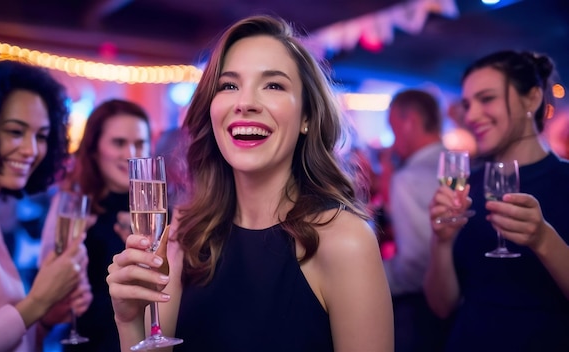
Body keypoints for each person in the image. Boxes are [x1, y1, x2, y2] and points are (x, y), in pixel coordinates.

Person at [106, 14, 393, 352]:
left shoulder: (345, 241)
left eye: (273, 85)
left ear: (306, 117)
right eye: (229, 85)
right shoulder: (186, 231)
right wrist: (128, 321)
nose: (245, 103)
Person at [424, 50, 569, 351]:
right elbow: (441, 307)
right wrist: (441, 241)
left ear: (532, 99)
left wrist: (543, 239)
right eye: (467, 104)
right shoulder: (466, 188)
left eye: (486, 99)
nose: (472, 115)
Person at [0, 58, 91, 351]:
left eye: (42, 136)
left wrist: (46, 317)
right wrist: (37, 302)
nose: (31, 150)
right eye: (15, 131)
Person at [39, 99, 152, 351]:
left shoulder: (158, 210)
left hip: (143, 339)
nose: (131, 154)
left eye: (140, 143)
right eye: (119, 143)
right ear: (94, 149)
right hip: (89, 340)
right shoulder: (72, 204)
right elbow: (47, 281)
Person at [384, 89, 449, 351]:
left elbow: (414, 267)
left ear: (409, 122)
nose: (393, 140)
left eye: (394, 128)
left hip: (420, 310)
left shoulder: (409, 178)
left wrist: (371, 274)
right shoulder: (460, 167)